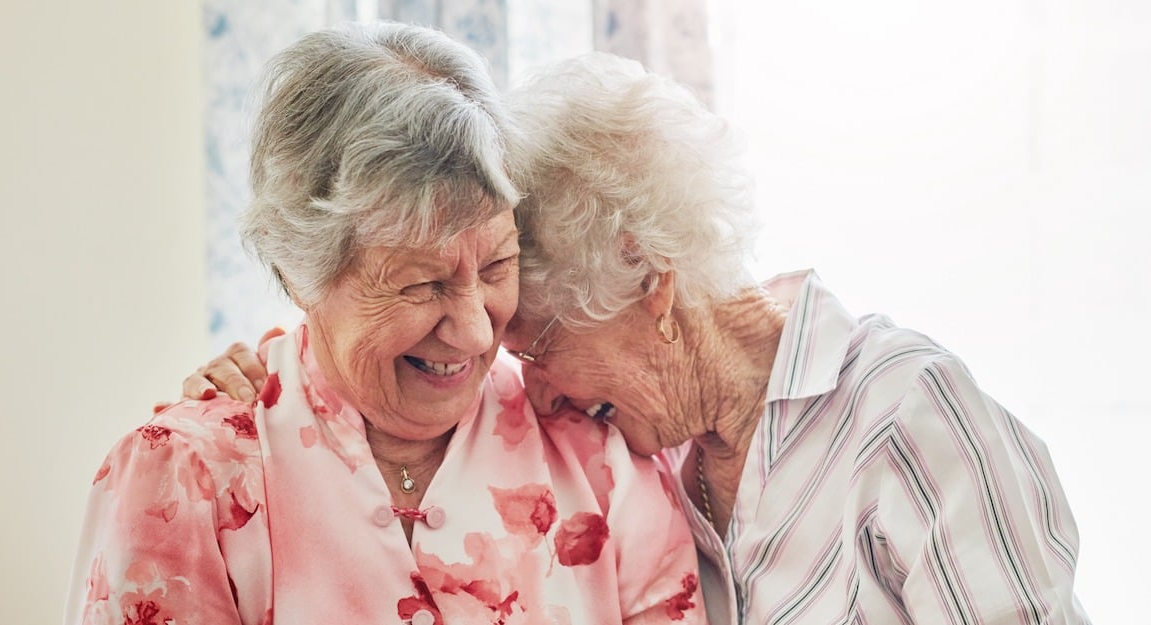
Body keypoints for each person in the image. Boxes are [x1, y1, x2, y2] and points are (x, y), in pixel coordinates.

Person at [191, 52, 1092, 625]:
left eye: (538, 347)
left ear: (647, 280)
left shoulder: (903, 417)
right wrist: (267, 374)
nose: (532, 394)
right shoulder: (652, 459)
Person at [67, 24, 705, 625]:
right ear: (302, 273)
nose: (477, 333)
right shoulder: (184, 480)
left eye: (496, 266)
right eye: (422, 284)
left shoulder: (601, 462)